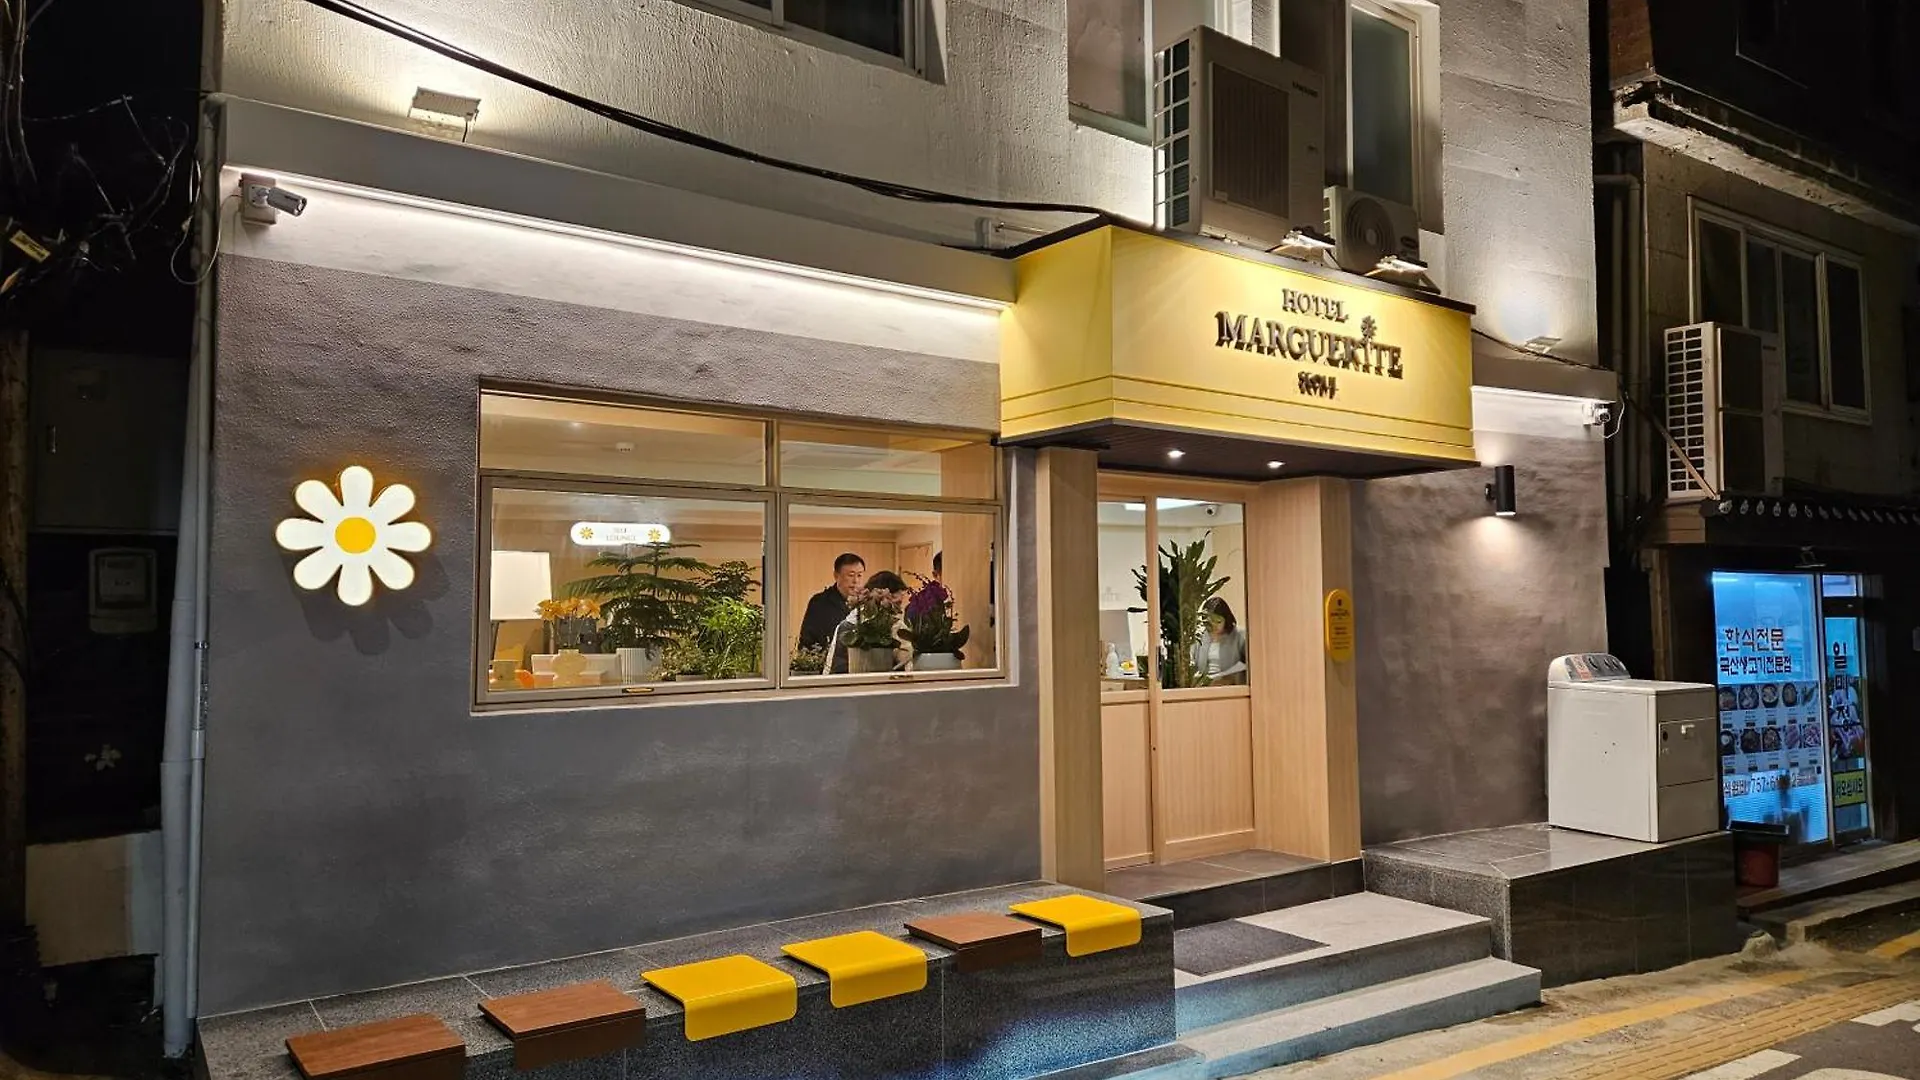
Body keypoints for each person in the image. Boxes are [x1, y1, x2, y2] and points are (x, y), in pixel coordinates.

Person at [824, 571, 911, 675]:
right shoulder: (894, 626)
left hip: (843, 683)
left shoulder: (844, 625)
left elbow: (829, 668)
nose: (899, 609)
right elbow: (908, 665)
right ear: (881, 597)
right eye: (897, 603)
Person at [798, 553, 864, 651]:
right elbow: (807, 641)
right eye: (851, 575)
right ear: (836, 576)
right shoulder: (819, 602)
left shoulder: (866, 603)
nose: (856, 580)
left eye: (859, 575)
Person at [1192, 596, 1249, 686]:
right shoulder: (1201, 637)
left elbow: (1249, 664)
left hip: (1231, 686)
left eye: (1218, 621)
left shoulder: (1240, 635)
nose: (1214, 626)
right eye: (1209, 622)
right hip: (1205, 687)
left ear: (1226, 619)